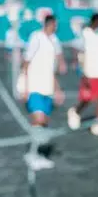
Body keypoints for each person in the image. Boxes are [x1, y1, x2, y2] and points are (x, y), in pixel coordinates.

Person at [17, 15, 65, 169]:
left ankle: (38, 154)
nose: (55, 28)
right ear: (48, 24)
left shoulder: (54, 41)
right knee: (38, 119)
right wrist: (24, 86)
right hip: (34, 86)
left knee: (44, 121)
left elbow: (53, 70)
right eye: (54, 25)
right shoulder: (36, 38)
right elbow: (26, 62)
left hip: (48, 88)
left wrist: (58, 90)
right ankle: (33, 155)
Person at [67, 13, 98, 137]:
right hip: (89, 73)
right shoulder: (85, 34)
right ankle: (75, 111)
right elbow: (77, 50)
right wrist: (81, 70)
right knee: (87, 99)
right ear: (94, 21)